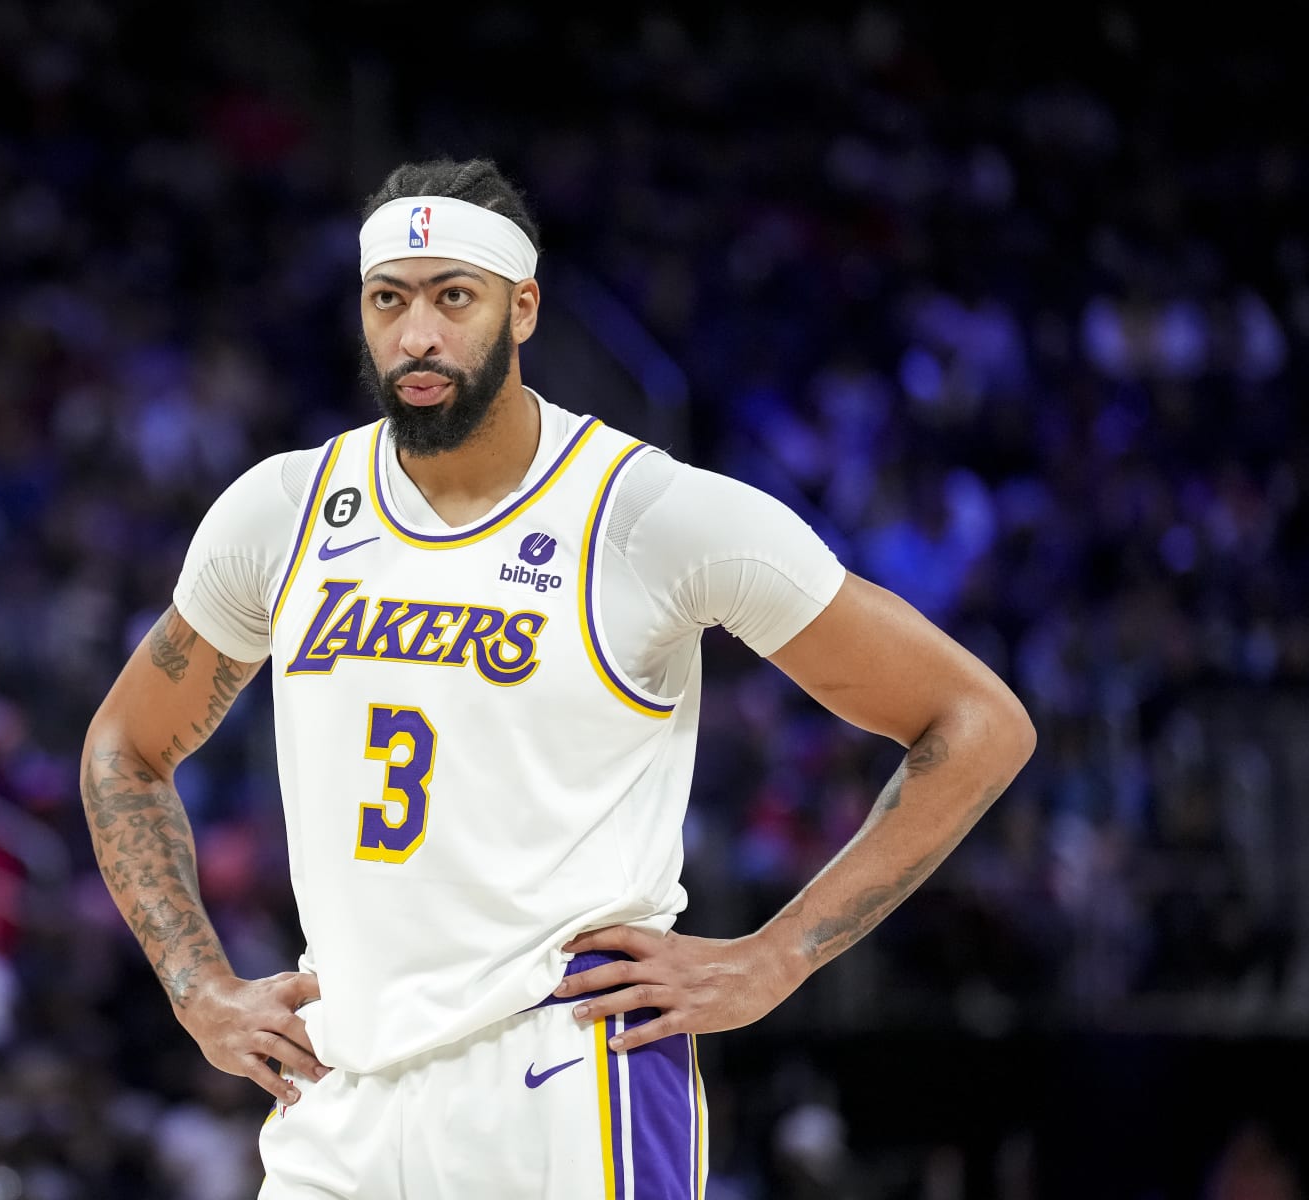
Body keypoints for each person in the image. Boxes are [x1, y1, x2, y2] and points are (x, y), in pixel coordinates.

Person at [79, 157, 1036, 1199]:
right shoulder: (283, 511)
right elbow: (126, 749)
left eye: (455, 297)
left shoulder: (648, 516)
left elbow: (975, 721)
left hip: (564, 1070)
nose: (419, 336)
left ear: (522, 307)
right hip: (338, 1083)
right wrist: (195, 986)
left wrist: (777, 959)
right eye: (389, 300)